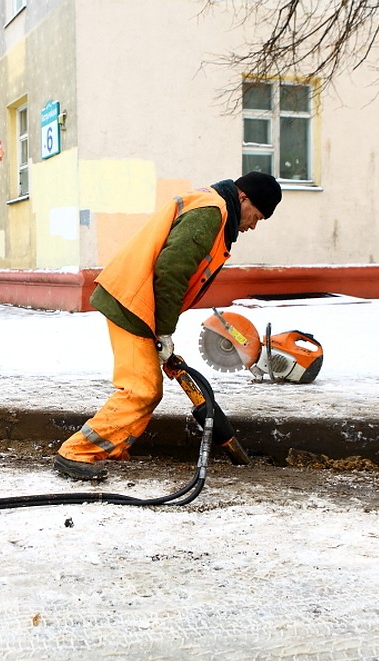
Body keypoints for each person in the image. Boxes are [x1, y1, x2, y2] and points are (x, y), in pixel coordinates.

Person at [54, 172, 282, 480]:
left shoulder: (211, 208)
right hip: (133, 301)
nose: (254, 225)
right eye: (257, 216)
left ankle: (109, 446)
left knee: (148, 389)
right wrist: (163, 331)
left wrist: (162, 331)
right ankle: (77, 452)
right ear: (244, 198)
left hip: (135, 298)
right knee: (142, 390)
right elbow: (171, 271)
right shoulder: (211, 212)